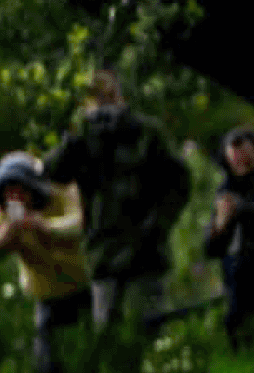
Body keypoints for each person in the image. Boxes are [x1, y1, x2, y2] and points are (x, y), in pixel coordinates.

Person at [43, 70, 191, 330]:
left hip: (145, 251)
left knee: (149, 327)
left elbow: (179, 183)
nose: (103, 104)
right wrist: (76, 136)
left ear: (119, 96)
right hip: (104, 252)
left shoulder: (146, 132)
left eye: (107, 96)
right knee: (107, 334)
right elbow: (53, 172)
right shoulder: (85, 138)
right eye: (95, 98)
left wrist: (158, 224)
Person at [0, 152, 89, 373]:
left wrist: (46, 227)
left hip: (82, 285)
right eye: (8, 193)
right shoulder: (6, 211)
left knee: (90, 349)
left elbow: (80, 223)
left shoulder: (62, 189)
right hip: (46, 293)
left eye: (19, 191)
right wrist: (7, 238)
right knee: (47, 361)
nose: (14, 199)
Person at [201, 128, 254, 345]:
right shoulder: (227, 189)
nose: (240, 168)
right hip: (237, 277)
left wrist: (241, 210)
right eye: (234, 163)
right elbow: (212, 248)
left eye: (246, 162)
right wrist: (220, 225)